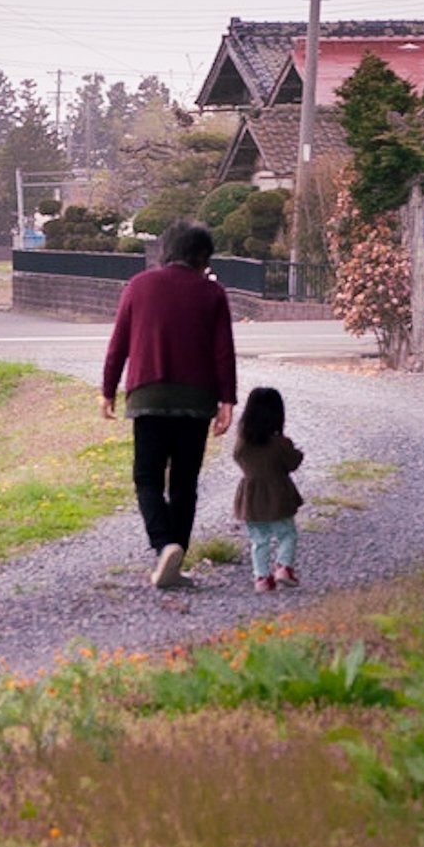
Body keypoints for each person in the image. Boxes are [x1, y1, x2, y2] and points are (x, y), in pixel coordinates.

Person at [100, 221, 237, 589]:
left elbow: (119, 343)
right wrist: (228, 400)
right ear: (203, 256)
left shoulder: (139, 286)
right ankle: (175, 556)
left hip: (148, 395)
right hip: (196, 400)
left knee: (147, 477)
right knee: (185, 483)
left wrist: (108, 388)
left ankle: (164, 548)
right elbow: (223, 352)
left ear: (166, 251)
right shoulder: (213, 294)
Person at [232, 386, 303, 593]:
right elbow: (293, 462)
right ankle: (283, 567)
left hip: (251, 496)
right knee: (287, 533)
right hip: (278, 495)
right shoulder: (279, 443)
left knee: (259, 540)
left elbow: (237, 459)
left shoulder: (243, 444)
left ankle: (262, 578)